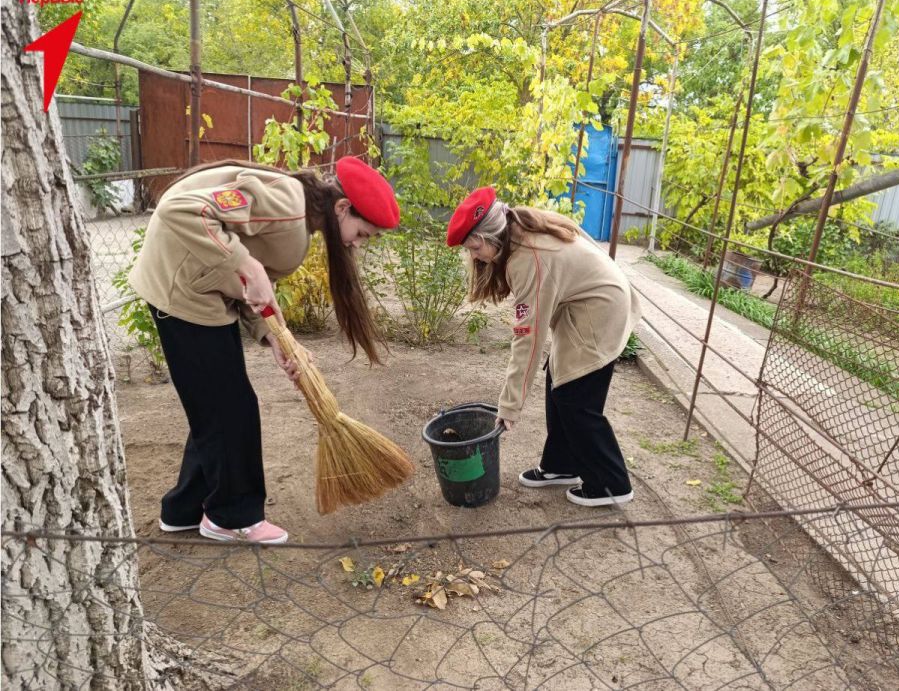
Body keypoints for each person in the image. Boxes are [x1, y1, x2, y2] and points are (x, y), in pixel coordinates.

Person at [128, 157, 399, 543]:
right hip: (182, 294)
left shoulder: (296, 222)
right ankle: (232, 516)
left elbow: (252, 291)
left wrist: (276, 338)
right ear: (342, 208)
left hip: (204, 294)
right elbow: (181, 210)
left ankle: (185, 508)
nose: (358, 243)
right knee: (231, 407)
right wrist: (247, 266)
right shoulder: (288, 207)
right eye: (363, 233)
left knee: (216, 405)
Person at [446, 187, 642, 507]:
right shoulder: (518, 224)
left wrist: (509, 406)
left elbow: (529, 338)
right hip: (585, 304)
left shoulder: (528, 259)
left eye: (474, 248)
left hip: (602, 309)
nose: (474, 257)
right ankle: (561, 466)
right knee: (559, 381)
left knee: (576, 399)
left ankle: (610, 483)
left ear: (489, 236)